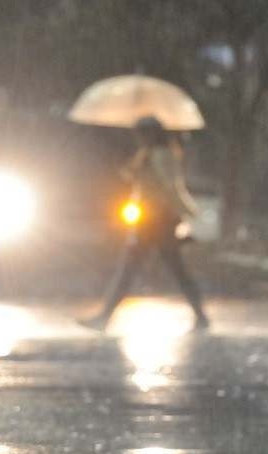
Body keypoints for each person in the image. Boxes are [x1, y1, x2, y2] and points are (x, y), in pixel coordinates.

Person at [80, 116, 211, 331]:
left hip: (157, 221)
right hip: (150, 219)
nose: (139, 137)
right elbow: (135, 177)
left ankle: (105, 316)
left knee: (134, 268)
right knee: (166, 269)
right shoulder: (149, 154)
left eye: (142, 133)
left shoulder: (160, 155)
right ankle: (200, 315)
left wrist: (188, 212)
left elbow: (170, 186)